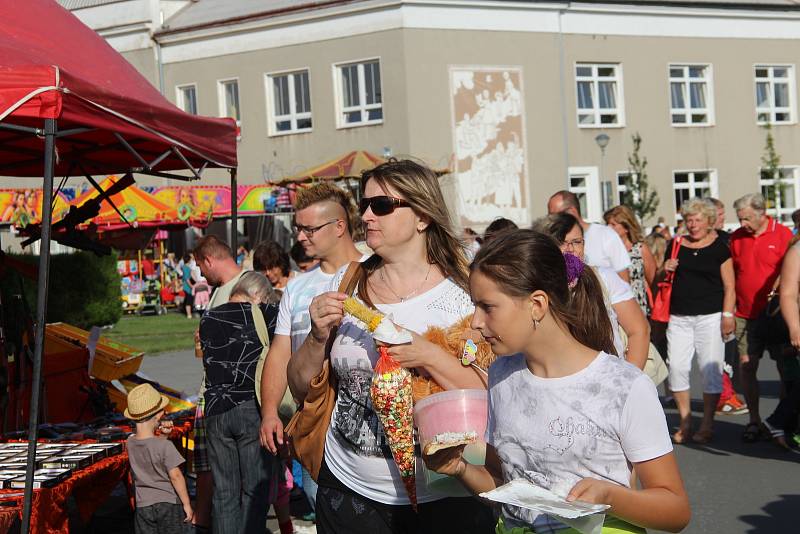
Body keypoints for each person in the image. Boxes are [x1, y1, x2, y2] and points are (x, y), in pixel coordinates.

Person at [425, 229, 691, 534]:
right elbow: (506, 484)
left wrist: (610, 497)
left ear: (537, 304)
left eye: (488, 306)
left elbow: (676, 510)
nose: (475, 321)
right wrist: (461, 468)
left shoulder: (623, 386)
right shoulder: (501, 376)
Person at [287, 159, 493, 533]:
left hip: (444, 492)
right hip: (349, 488)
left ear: (422, 216)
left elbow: (491, 396)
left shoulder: (466, 294)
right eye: (363, 204)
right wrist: (318, 338)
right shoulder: (344, 283)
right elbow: (301, 387)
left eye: (381, 205)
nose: (366, 216)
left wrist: (427, 353)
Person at [259, 182, 365, 520]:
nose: (301, 237)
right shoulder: (297, 287)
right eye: (298, 229)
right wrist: (270, 412)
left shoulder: (377, 269)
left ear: (339, 227)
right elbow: (280, 353)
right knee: (329, 515)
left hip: (371, 426)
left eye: (309, 229)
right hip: (318, 425)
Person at [200, 272, 278, 534]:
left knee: (224, 491)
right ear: (258, 295)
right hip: (249, 407)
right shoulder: (264, 314)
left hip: (214, 410)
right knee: (254, 489)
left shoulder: (207, 317)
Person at [533, 213, 650, 370]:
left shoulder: (603, 278)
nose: (571, 250)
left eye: (576, 242)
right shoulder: (534, 285)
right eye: (561, 242)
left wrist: (628, 382)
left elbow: (639, 330)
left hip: (608, 380)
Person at [663, 198, 735, 444]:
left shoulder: (720, 247)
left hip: (711, 316)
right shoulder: (675, 245)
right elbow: (662, 279)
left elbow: (730, 285)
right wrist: (666, 268)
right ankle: (685, 420)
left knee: (710, 370)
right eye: (688, 220)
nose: (692, 225)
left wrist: (728, 316)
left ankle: (707, 423)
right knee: (677, 367)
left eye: (698, 220)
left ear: (709, 221)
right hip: (679, 316)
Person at [191, 235, 246, 530]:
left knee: (231, 477)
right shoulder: (220, 290)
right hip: (213, 391)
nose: (201, 274)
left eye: (201, 267)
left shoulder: (246, 285)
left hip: (234, 397)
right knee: (216, 470)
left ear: (210, 260)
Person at [730, 193, 793, 442]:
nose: (743, 223)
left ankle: (783, 419)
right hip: (746, 314)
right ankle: (754, 420)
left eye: (746, 218)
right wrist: (729, 312)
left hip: (776, 314)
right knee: (747, 366)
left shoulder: (783, 234)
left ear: (761, 213)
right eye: (740, 218)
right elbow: (732, 275)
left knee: (784, 368)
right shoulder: (737, 237)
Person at [125, 383, 193, 533]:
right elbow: (175, 476)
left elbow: (151, 451)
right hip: (168, 503)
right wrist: (187, 503)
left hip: (143, 506)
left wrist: (163, 436)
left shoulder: (130, 443)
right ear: (159, 414)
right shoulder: (165, 447)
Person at [708, 197, 749, 416]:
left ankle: (725, 394)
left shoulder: (727, 238)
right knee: (720, 355)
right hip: (715, 304)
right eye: (720, 214)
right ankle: (724, 397)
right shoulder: (706, 242)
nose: (724, 218)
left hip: (731, 301)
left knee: (729, 354)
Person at [547, 190, 631, 282]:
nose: (551, 220)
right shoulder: (553, 239)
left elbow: (624, 280)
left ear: (572, 211)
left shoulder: (606, 235)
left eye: (555, 215)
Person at [604, 205, 656, 315]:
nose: (608, 227)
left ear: (626, 227)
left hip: (637, 310)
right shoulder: (605, 251)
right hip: (612, 310)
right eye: (607, 223)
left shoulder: (640, 249)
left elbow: (653, 281)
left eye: (613, 224)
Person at [181, 254, 195, 319]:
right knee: (189, 300)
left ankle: (185, 311)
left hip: (187, 286)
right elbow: (187, 278)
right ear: (189, 260)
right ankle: (189, 314)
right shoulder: (186, 267)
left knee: (187, 299)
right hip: (187, 287)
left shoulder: (186, 267)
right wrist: (191, 286)